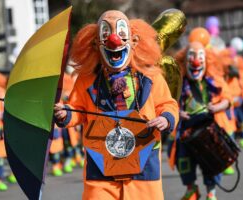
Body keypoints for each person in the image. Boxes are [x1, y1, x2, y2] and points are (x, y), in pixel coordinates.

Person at [54, 10, 178, 200]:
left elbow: (167, 104)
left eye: (121, 34)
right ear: (96, 44)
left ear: (133, 41)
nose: (114, 40)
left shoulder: (150, 76)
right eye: (105, 35)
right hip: (102, 163)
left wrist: (165, 118)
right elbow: (78, 110)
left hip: (143, 162)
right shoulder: (86, 80)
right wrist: (66, 114)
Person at [171, 32, 232, 200]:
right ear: (184, 61)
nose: (196, 61)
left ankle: (211, 192)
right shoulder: (178, 83)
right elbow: (167, 102)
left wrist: (217, 107)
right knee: (184, 161)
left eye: (199, 57)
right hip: (186, 130)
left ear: (206, 60)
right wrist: (177, 112)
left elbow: (227, 99)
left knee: (211, 160)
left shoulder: (213, 80)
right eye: (191, 56)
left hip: (208, 128)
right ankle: (191, 189)